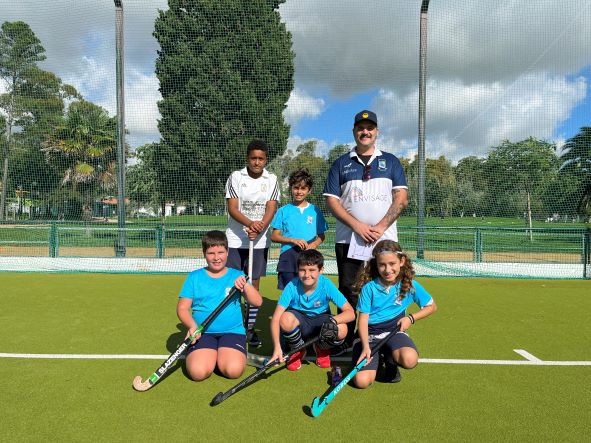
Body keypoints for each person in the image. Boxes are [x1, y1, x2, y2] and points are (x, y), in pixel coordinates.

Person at [323, 110, 409, 351]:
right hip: (349, 239)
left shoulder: (391, 161)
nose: (365, 132)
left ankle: (388, 335)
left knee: (386, 287)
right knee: (349, 289)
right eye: (361, 128)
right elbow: (332, 201)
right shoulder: (341, 163)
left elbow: (401, 198)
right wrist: (358, 226)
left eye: (370, 128)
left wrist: (380, 228)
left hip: (385, 242)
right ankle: (350, 339)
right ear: (354, 132)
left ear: (377, 132)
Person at [177, 230, 263, 381]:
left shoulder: (237, 275)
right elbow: (182, 308)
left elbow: (257, 302)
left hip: (232, 332)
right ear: (204, 253)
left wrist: (246, 287)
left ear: (228, 252)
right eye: (211, 253)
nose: (216, 258)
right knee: (198, 373)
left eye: (220, 252)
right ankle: (212, 355)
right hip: (202, 333)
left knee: (233, 371)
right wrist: (191, 326)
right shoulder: (194, 277)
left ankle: (228, 355)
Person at [351, 240, 436, 388]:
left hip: (394, 333)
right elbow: (363, 321)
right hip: (369, 337)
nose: (387, 269)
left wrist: (411, 318)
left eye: (392, 263)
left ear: (401, 261)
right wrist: (365, 347)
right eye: (382, 265)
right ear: (376, 265)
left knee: (410, 359)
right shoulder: (369, 288)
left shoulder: (409, 284)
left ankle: (390, 359)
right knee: (362, 382)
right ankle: (376, 361)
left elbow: (431, 306)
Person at [225, 139, 280, 347]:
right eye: (253, 158)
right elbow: (233, 208)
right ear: (247, 158)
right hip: (236, 239)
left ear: (266, 160)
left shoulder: (272, 179)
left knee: (253, 286)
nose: (257, 162)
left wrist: (260, 227)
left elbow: (271, 207)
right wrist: (249, 224)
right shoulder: (236, 177)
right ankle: (233, 327)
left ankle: (250, 329)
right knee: (233, 284)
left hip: (259, 241)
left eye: (261, 159)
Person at [269, 249, 355, 371]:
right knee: (285, 318)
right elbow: (276, 318)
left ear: (321, 270)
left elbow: (350, 312)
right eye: (302, 270)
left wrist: (333, 321)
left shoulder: (326, 284)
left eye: (312, 270)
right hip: (300, 322)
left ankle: (322, 348)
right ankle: (298, 349)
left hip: (321, 323)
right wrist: (277, 348)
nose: (307, 274)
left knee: (342, 329)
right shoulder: (292, 286)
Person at [270, 168, 328, 290]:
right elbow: (274, 236)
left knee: (308, 291)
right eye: (296, 188)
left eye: (303, 188)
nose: (299, 191)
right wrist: (293, 240)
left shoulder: (315, 211)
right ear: (291, 188)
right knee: (289, 291)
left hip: (309, 256)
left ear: (309, 190)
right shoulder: (283, 211)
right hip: (288, 256)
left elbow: (321, 236)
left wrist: (314, 244)